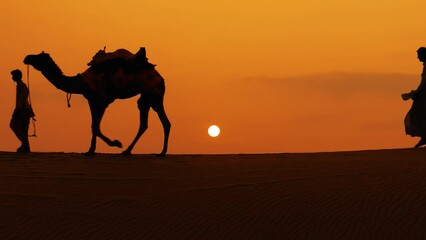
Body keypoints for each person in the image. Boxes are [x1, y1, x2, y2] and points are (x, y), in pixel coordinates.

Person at [402, 47, 426, 148]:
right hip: (422, 94)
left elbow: (425, 82)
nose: (417, 57)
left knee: (419, 115)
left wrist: (417, 93)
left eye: (419, 55)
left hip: (424, 95)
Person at [10, 69, 34, 152]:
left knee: (13, 125)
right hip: (25, 109)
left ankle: (25, 145)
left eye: (13, 76)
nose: (12, 78)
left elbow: (20, 101)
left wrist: (16, 112)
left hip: (22, 110)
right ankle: (25, 146)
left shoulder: (21, 86)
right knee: (23, 129)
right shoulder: (22, 85)